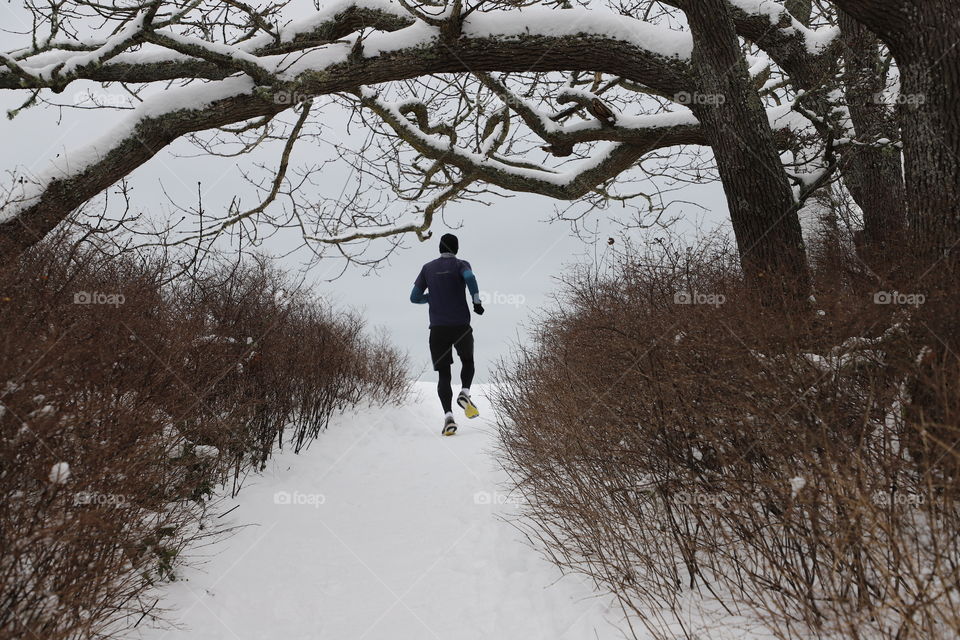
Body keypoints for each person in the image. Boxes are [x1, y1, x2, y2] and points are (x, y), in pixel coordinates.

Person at [410, 233, 484, 435]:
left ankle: (448, 417)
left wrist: (431, 297)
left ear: (439, 249)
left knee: (444, 374)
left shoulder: (427, 268)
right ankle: (465, 392)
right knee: (468, 361)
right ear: (456, 248)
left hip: (437, 329)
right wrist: (476, 302)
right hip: (461, 326)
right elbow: (470, 278)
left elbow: (414, 298)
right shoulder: (461, 264)